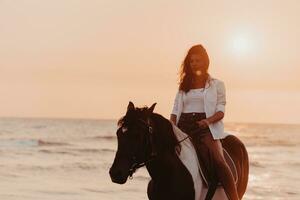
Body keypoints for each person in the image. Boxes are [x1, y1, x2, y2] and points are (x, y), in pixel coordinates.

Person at [170, 44, 240, 200]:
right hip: (183, 126)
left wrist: (207, 122)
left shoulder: (217, 85)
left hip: (205, 127)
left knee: (218, 159)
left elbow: (221, 111)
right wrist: (172, 127)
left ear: (205, 62)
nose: (194, 63)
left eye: (198, 60)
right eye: (191, 61)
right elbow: (174, 111)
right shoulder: (183, 86)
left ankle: (234, 197)